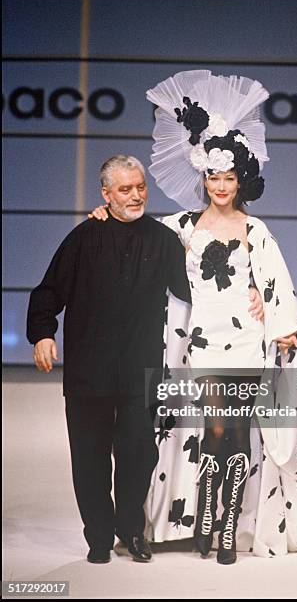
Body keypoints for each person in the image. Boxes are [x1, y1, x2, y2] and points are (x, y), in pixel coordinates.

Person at [88, 70, 297, 564]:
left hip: (247, 340)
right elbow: (134, 231)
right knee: (215, 429)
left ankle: (227, 528)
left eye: (228, 177)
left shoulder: (255, 228)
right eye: (212, 176)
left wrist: (280, 321)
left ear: (239, 179)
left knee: (240, 431)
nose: (220, 186)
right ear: (201, 177)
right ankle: (206, 516)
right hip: (202, 342)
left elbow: (277, 283)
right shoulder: (179, 226)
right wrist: (102, 216)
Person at [27, 154, 265, 565]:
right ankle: (98, 539)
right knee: (89, 455)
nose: (136, 195)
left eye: (140, 187)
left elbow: (196, 289)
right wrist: (43, 334)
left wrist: (253, 290)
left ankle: (131, 532)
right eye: (124, 189)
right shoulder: (84, 237)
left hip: (140, 369)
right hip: (89, 369)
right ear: (105, 194)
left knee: (139, 455)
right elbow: (48, 291)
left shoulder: (163, 238)